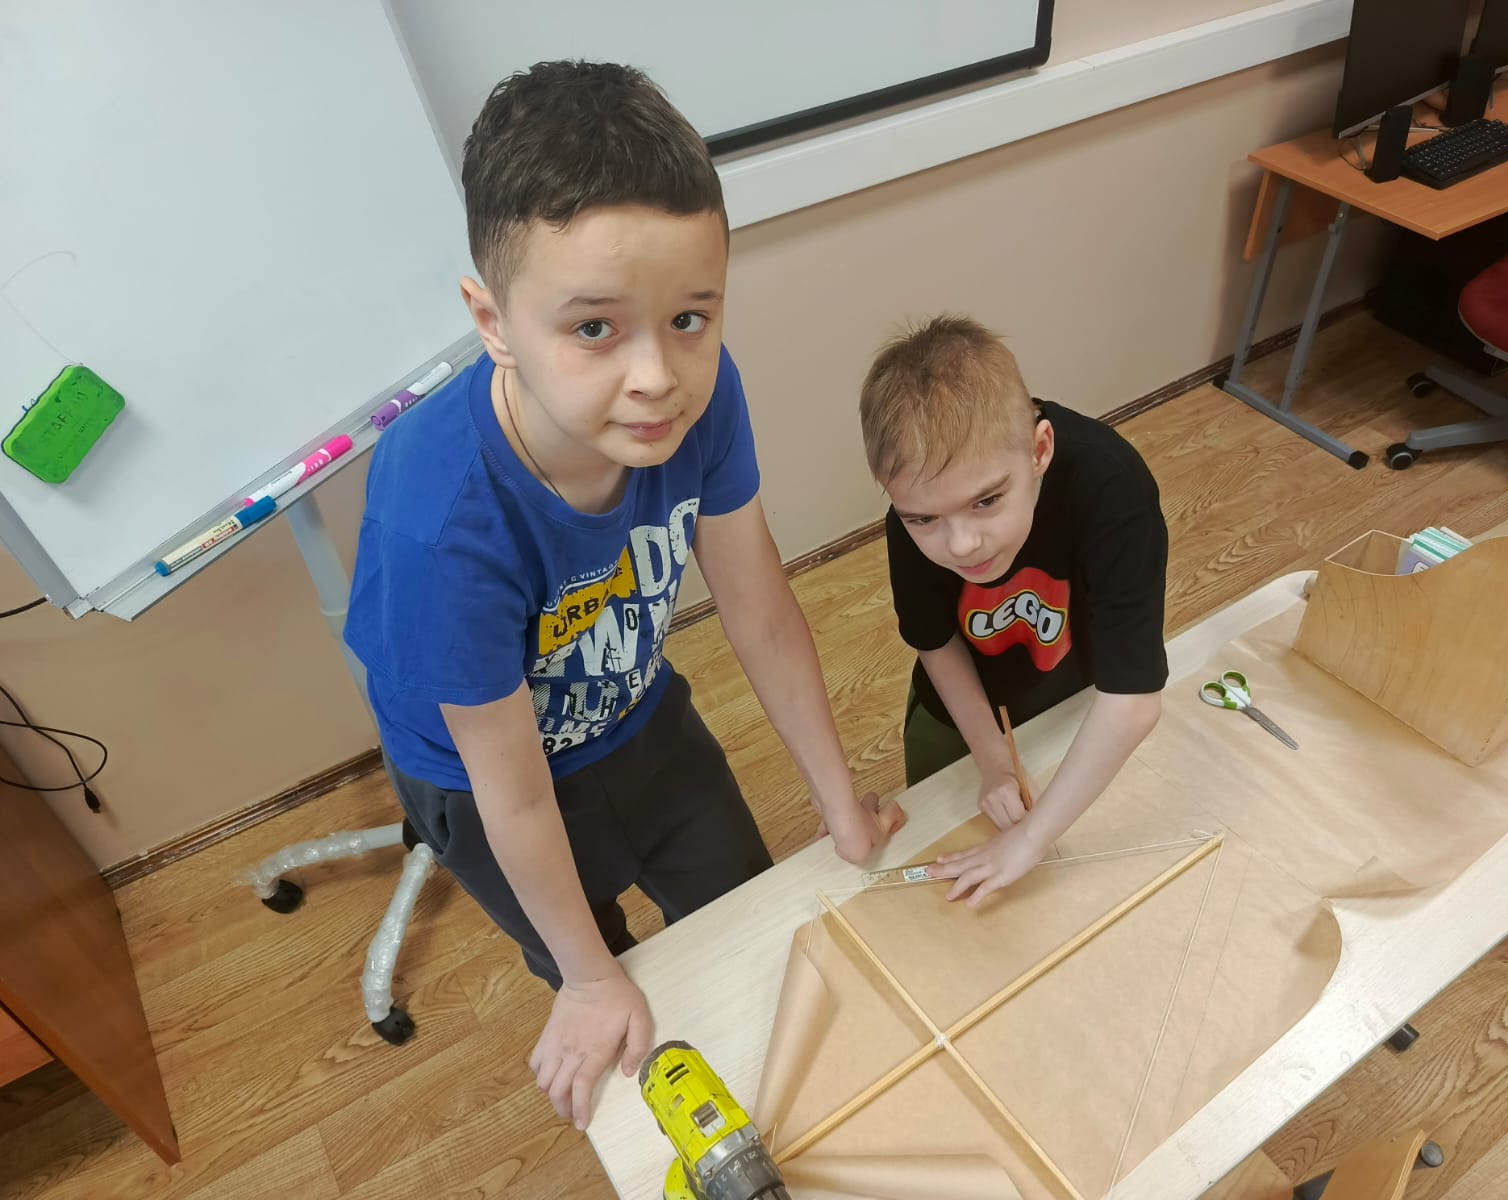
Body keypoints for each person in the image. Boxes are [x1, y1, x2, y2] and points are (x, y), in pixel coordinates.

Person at [345, 61, 897, 1132]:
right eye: (594, 329)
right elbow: (511, 794)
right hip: (482, 782)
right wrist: (592, 979)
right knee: (600, 976)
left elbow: (759, 607)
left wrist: (836, 796)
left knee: (746, 916)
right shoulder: (439, 521)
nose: (657, 376)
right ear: (493, 321)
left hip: (636, 712)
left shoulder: (702, 399)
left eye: (689, 317)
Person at [858, 314, 1168, 906]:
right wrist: (993, 760)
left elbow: (1131, 700)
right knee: (939, 829)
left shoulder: (1112, 486)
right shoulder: (910, 512)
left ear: (1039, 450)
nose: (961, 545)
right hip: (955, 709)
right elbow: (934, 639)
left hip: (1072, 697)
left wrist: (1029, 839)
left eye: (987, 501)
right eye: (924, 519)